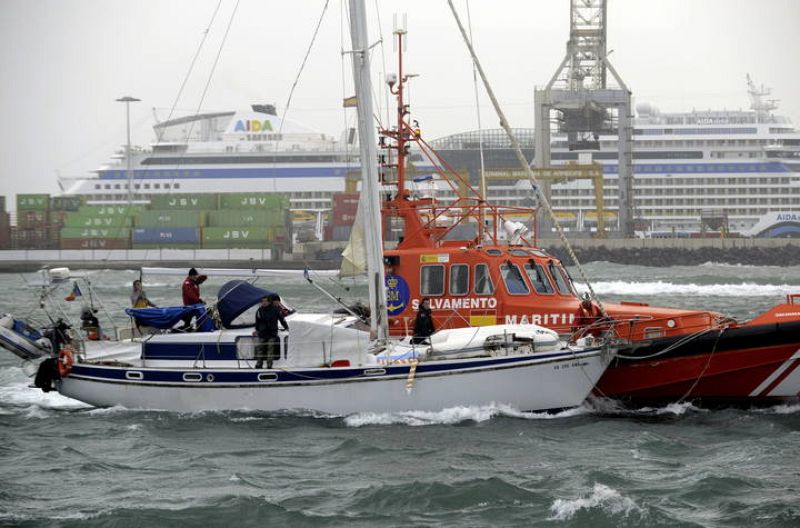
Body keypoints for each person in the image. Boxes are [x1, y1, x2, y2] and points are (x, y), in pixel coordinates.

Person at [253, 294, 289, 369]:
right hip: (262, 333)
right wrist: (256, 330)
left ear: (269, 302)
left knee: (270, 349)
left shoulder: (275, 310)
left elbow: (281, 319)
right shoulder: (259, 311)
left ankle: (269, 365)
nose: (264, 303)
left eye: (266, 301)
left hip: (272, 333)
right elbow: (257, 321)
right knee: (260, 350)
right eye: (262, 301)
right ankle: (259, 364)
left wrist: (286, 327)